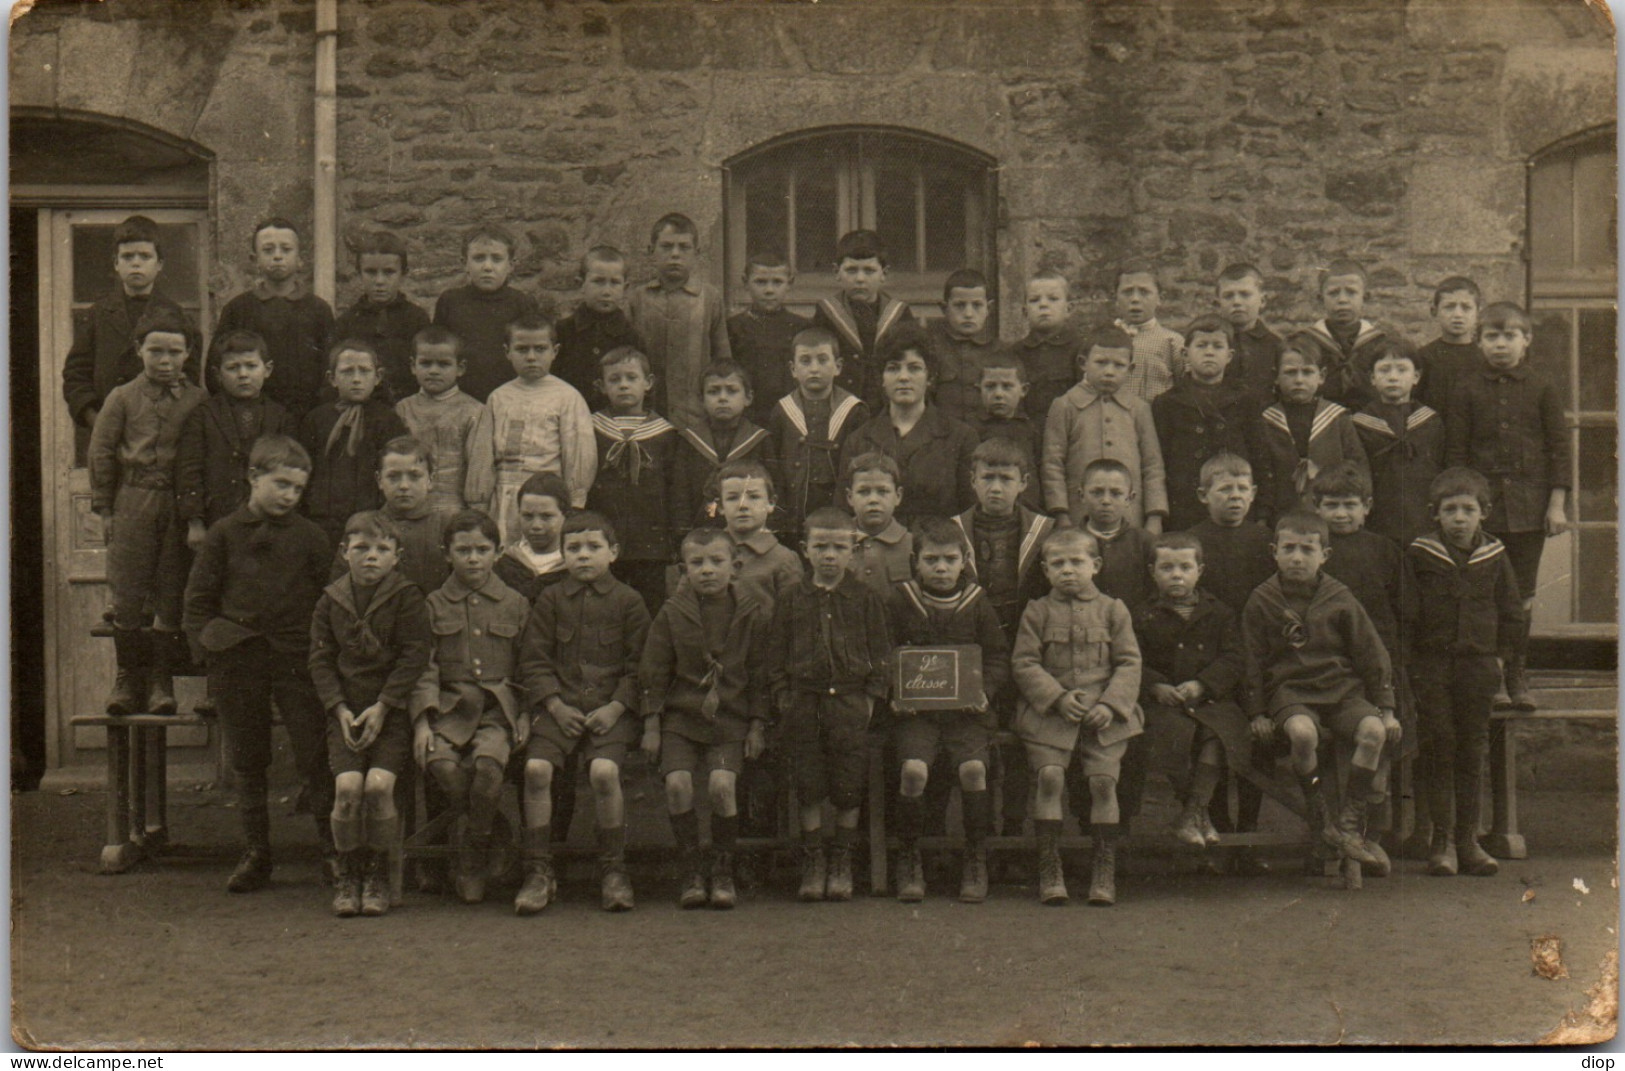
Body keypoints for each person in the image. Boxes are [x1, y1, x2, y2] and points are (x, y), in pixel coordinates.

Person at [182, 435, 334, 893]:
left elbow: (331, 601)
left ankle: (333, 851)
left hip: (295, 659)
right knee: (247, 760)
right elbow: (197, 604)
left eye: (297, 489)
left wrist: (321, 652)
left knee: (315, 754)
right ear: (253, 477)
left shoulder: (312, 537)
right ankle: (256, 855)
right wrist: (212, 651)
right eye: (280, 483)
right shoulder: (224, 534)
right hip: (239, 660)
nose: (288, 495)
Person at [1241, 510, 1398, 868]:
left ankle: (1348, 824)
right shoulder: (1262, 600)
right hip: (1291, 692)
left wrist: (1386, 708)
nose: (1297, 557)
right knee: (1301, 734)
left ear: (1324, 555)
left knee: (1373, 732)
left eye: (1307, 549)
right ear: (1274, 551)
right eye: (1290, 548)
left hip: (1341, 691)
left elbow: (1373, 654)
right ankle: (1319, 813)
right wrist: (1258, 712)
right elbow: (1251, 660)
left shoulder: (1339, 597)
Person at [516, 512, 652, 911]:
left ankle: (614, 869)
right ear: (562, 555)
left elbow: (641, 665)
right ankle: (538, 870)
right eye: (573, 548)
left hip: (609, 713)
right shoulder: (550, 599)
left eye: (594, 547)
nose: (584, 556)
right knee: (536, 771)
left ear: (613, 552)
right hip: (560, 710)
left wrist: (616, 707)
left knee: (604, 772)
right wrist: (555, 706)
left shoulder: (629, 601)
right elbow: (535, 662)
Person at [1445, 301, 1569, 711]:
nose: (1501, 344)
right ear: (1480, 342)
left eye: (1509, 336)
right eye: (1492, 337)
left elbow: (1559, 447)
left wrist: (1556, 503)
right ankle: (1491, 676)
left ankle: (1517, 674)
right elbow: (1457, 454)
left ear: (1526, 340)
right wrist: (1464, 508)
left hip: (1530, 510)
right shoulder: (1465, 388)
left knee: (1523, 597)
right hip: (1485, 512)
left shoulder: (1543, 386)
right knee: (1484, 593)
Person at [639, 527, 772, 909]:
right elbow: (654, 670)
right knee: (678, 784)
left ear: (736, 566)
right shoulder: (673, 612)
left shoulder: (751, 613)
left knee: (720, 787)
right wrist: (651, 724)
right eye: (697, 563)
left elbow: (760, 673)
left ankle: (722, 867)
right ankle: (691, 867)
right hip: (681, 719)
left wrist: (757, 724)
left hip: (730, 718)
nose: (707, 570)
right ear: (684, 570)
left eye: (717, 561)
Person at [309, 510, 432, 917]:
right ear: (345, 553)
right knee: (347, 789)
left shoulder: (406, 596)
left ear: (397, 556)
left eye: (382, 549)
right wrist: (340, 709)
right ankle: (349, 873)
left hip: (390, 713)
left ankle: (378, 872)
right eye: (361, 548)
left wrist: (383, 706)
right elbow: (321, 661)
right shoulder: (331, 601)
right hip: (345, 714)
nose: (371, 557)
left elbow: (414, 656)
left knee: (379, 787)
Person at [1011, 528, 1142, 906]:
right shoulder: (1037, 611)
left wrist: (1110, 704)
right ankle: (1050, 868)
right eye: (1058, 564)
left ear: (1095, 566)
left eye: (1077, 562)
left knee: (1103, 783)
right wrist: (1055, 697)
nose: (1068, 570)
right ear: (1046, 570)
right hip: (1051, 715)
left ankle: (1104, 870)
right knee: (1050, 777)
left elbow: (1130, 662)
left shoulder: (1114, 610)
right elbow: (1024, 662)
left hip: (1104, 715)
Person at [767, 506, 892, 902]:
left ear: (853, 551)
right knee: (808, 781)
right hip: (805, 703)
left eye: (840, 547)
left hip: (851, 704)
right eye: (821, 547)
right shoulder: (791, 598)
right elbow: (776, 655)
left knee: (848, 783)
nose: (830, 555)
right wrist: (785, 698)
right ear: (805, 550)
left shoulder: (866, 598)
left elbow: (881, 653)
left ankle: (842, 858)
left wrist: (871, 698)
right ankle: (814, 859)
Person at [410, 511, 534, 908]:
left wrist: (525, 713)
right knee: (442, 766)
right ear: (447, 554)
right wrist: (423, 721)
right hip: (448, 712)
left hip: (499, 713)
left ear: (498, 552)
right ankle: (491, 829)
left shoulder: (515, 603)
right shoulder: (432, 604)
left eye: (482, 550)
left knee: (487, 769)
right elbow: (424, 668)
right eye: (463, 551)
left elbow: (528, 665)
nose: (473, 559)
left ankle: (472, 855)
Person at [89, 306, 207, 716]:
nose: (165, 360)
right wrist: (105, 510)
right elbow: (102, 452)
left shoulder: (198, 399)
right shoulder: (121, 398)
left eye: (174, 352)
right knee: (128, 589)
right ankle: (127, 679)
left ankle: (161, 681)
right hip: (133, 500)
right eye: (155, 351)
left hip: (177, 504)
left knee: (172, 589)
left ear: (189, 353)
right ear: (139, 350)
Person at [884, 518, 1009, 904]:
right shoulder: (900, 600)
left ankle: (975, 855)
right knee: (913, 771)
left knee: (973, 769)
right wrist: (893, 691)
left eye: (950, 559)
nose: (941, 568)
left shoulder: (976, 602)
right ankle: (910, 854)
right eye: (931, 559)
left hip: (966, 715)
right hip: (917, 716)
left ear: (965, 560)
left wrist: (984, 691)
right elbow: (882, 653)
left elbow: (998, 657)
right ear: (914, 561)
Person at [1405, 468, 1522, 877]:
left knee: (1472, 748)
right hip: (1432, 666)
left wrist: (1501, 659)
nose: (1459, 518)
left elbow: (1511, 612)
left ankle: (1467, 840)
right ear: (1434, 514)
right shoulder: (1420, 554)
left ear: (1484, 512)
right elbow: (1407, 613)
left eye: (1467, 509)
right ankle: (1441, 841)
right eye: (1449, 510)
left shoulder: (1494, 555)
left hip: (1478, 667)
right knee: (1440, 743)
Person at [948, 438, 1055, 841]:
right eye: (987, 478)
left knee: (1023, 743)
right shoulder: (954, 530)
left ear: (1023, 482)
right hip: (976, 654)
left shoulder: (1045, 531)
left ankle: (1013, 830)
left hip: (1029, 652)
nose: (996, 487)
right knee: (978, 741)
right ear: (972, 481)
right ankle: (980, 836)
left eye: (1005, 478)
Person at [1183, 451, 1276, 872]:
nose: (1235, 497)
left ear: (1254, 493)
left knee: (1257, 746)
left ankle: (1249, 838)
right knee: (1217, 738)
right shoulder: (1192, 540)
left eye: (1242, 489)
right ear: (1204, 495)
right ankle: (1216, 832)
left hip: (1257, 655)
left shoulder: (1264, 540)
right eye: (1225, 490)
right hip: (1212, 658)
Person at [1133, 533, 1247, 856]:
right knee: (1172, 736)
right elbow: (1131, 658)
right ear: (1153, 571)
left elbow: (1233, 657)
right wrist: (1154, 685)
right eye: (1167, 567)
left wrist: (1203, 684)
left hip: (1209, 700)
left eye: (1185, 566)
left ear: (1200, 570)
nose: (1177, 574)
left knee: (1218, 736)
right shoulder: (1141, 614)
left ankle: (1192, 812)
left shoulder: (1220, 612)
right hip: (1164, 702)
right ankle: (1198, 813)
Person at [62, 214, 198, 432]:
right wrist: (95, 419)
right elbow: (76, 375)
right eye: (127, 256)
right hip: (108, 426)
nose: (136, 263)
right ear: (116, 263)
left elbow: (190, 377)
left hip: (161, 432)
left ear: (159, 264)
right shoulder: (98, 315)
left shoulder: (178, 317)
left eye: (144, 256)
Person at [839, 324, 980, 526]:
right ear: (882, 379)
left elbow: (970, 512)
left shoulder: (961, 437)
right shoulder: (859, 440)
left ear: (930, 377)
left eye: (914, 368)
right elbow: (845, 514)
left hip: (938, 551)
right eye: (893, 368)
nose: (903, 377)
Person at [1041, 323, 1168, 532]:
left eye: (1118, 365)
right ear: (1083, 363)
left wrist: (1155, 516)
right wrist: (1060, 513)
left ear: (1131, 368)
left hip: (1129, 516)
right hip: (1078, 515)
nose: (1109, 371)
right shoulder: (1064, 405)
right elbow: (1052, 464)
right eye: (1101, 363)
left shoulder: (1139, 409)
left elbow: (1152, 466)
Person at [177, 329, 293, 547]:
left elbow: (290, 470)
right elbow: (189, 470)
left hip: (267, 517)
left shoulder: (281, 417)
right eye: (232, 368)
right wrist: (195, 523)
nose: (243, 374)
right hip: (218, 517)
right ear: (218, 374)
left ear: (267, 370)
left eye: (251, 366)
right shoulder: (203, 415)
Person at [210, 217, 334, 420]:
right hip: (251, 415)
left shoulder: (318, 310)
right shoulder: (238, 309)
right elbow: (215, 369)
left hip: (306, 415)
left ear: (300, 258)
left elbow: (329, 369)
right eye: (268, 250)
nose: (278, 256)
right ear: (254, 259)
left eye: (286, 249)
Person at [487, 312, 595, 545]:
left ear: (554, 351)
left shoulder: (567, 397)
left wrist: (574, 501)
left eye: (540, 349)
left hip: (548, 496)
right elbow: (485, 454)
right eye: (522, 349)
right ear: (507, 352)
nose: (531, 357)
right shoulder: (498, 397)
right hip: (504, 496)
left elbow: (578, 451)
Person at [586, 346, 678, 610]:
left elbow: (673, 490)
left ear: (648, 383)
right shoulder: (591, 428)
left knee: (648, 607)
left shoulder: (665, 434)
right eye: (614, 380)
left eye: (631, 378)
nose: (623, 385)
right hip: (604, 537)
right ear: (601, 386)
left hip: (649, 543)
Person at [1154, 314, 1265, 532]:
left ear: (1229, 355)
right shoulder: (1168, 403)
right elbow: (1160, 462)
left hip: (1234, 503)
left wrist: (1262, 511)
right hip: (1185, 503)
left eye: (1217, 346)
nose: (1209, 352)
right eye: (1201, 345)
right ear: (1185, 353)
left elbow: (1260, 456)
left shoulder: (1245, 400)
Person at [298, 340, 410, 547]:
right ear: (332, 378)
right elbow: (304, 469)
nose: (357, 379)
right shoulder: (316, 419)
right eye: (348, 371)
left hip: (370, 518)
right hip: (322, 518)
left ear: (378, 377)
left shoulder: (387, 420)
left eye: (364, 371)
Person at [627, 213, 732, 427]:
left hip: (696, 416)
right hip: (646, 414)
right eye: (666, 246)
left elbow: (722, 360)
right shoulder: (637, 299)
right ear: (651, 251)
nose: (675, 254)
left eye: (684, 247)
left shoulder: (710, 298)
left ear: (697, 253)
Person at [765, 326, 869, 534]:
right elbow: (773, 464)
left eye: (822, 360)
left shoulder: (854, 410)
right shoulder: (782, 410)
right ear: (793, 369)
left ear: (838, 366)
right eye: (805, 361)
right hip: (795, 502)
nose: (814, 368)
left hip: (838, 502)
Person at [1257, 331, 1368, 520]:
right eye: (1291, 372)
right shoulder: (1267, 420)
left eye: (1307, 372)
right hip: (1282, 513)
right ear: (1276, 376)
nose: (1299, 380)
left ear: (1322, 376)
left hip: (1331, 513)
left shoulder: (1337, 417)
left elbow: (1357, 465)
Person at [393, 325, 495, 517]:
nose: (433, 370)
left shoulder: (474, 411)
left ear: (460, 368)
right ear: (413, 366)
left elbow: (479, 466)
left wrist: (476, 511)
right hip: (410, 508)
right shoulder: (403, 409)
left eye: (443, 364)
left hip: (454, 509)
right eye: (425, 363)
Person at [1350, 338, 1444, 546]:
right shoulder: (1359, 423)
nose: (1393, 377)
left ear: (1416, 377)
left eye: (1402, 370)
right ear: (1372, 378)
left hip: (1421, 514)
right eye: (1384, 370)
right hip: (1380, 514)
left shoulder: (1430, 421)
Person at [432, 223, 539, 402]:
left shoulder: (521, 303)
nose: (487, 267)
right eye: (479, 258)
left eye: (496, 259)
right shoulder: (450, 301)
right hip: (461, 398)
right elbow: (438, 351)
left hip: (511, 396)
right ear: (464, 263)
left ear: (511, 265)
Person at [812, 229, 917, 409]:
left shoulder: (900, 314)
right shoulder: (826, 313)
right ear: (837, 272)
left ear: (884, 273)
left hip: (888, 408)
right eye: (851, 270)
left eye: (869, 271)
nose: (860, 279)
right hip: (840, 408)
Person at [670, 361, 775, 530]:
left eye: (732, 391)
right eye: (713, 391)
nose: (722, 398)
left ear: (748, 398)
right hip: (702, 535)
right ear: (702, 400)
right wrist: (683, 535)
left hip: (748, 531)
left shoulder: (759, 440)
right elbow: (680, 496)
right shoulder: (689, 440)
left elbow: (771, 491)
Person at [334, 230, 431, 404]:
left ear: (403, 273)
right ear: (359, 273)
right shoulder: (346, 322)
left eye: (388, 272)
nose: (379, 280)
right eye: (371, 272)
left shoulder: (417, 319)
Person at [727, 249, 811, 426]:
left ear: (790, 283)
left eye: (777, 282)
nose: (769, 290)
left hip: (792, 417)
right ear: (745, 282)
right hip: (748, 418)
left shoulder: (802, 327)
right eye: (761, 282)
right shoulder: (733, 327)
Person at [552, 245, 644, 401]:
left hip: (613, 422)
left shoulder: (631, 337)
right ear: (581, 284)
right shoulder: (563, 331)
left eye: (614, 283)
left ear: (625, 288)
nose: (606, 291)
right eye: (598, 281)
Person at [1299, 259, 1391, 411]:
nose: (1342, 300)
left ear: (1365, 297)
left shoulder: (1381, 344)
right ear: (1320, 298)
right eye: (1333, 293)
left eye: (1351, 292)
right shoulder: (1305, 342)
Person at [716, 460, 802, 611]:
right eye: (732, 498)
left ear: (771, 503)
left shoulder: (784, 559)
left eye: (753, 497)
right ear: (721, 506)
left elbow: (791, 617)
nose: (743, 505)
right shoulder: (707, 550)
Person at [1077, 459, 1157, 612]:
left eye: (1116, 493)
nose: (1106, 500)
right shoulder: (1067, 541)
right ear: (1081, 495)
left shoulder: (1145, 542)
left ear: (1130, 498)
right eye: (1097, 492)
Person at [968, 352, 1043, 513]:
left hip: (1025, 513)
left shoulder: (1031, 430)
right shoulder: (969, 430)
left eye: (1007, 386)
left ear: (1023, 390)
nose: (998, 394)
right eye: (990, 386)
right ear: (978, 389)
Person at [927, 268, 1002, 423]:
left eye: (977, 305)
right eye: (960, 305)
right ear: (944, 308)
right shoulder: (931, 350)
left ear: (989, 309)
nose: (968, 313)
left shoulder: (1000, 352)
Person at [1016, 270, 1085, 423]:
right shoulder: (1015, 352)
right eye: (1034, 300)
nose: (1043, 304)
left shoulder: (1080, 349)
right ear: (1025, 311)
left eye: (1053, 299)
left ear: (1068, 308)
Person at [844, 452, 915, 599]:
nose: (873, 500)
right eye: (863, 491)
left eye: (882, 491)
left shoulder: (912, 545)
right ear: (850, 497)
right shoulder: (838, 542)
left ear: (898, 496)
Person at [494, 471, 571, 603]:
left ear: (565, 515)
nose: (536, 525)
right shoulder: (505, 564)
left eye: (546, 516)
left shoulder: (574, 566)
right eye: (528, 516)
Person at [1214, 262, 1282, 406]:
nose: (1237, 302)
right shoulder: (1210, 344)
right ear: (1218, 302)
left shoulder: (1277, 346)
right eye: (1228, 296)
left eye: (1245, 294)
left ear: (1262, 300)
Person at [1111, 261, 1180, 403]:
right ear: (1116, 298)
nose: (1135, 299)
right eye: (1127, 292)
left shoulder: (1172, 342)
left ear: (1160, 298)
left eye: (1144, 292)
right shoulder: (1105, 339)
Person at [1415, 276, 1482, 413]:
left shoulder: (1485, 358)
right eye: (1449, 307)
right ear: (1434, 311)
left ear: (1478, 313)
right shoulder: (1424, 358)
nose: (1458, 314)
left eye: (1466, 307)